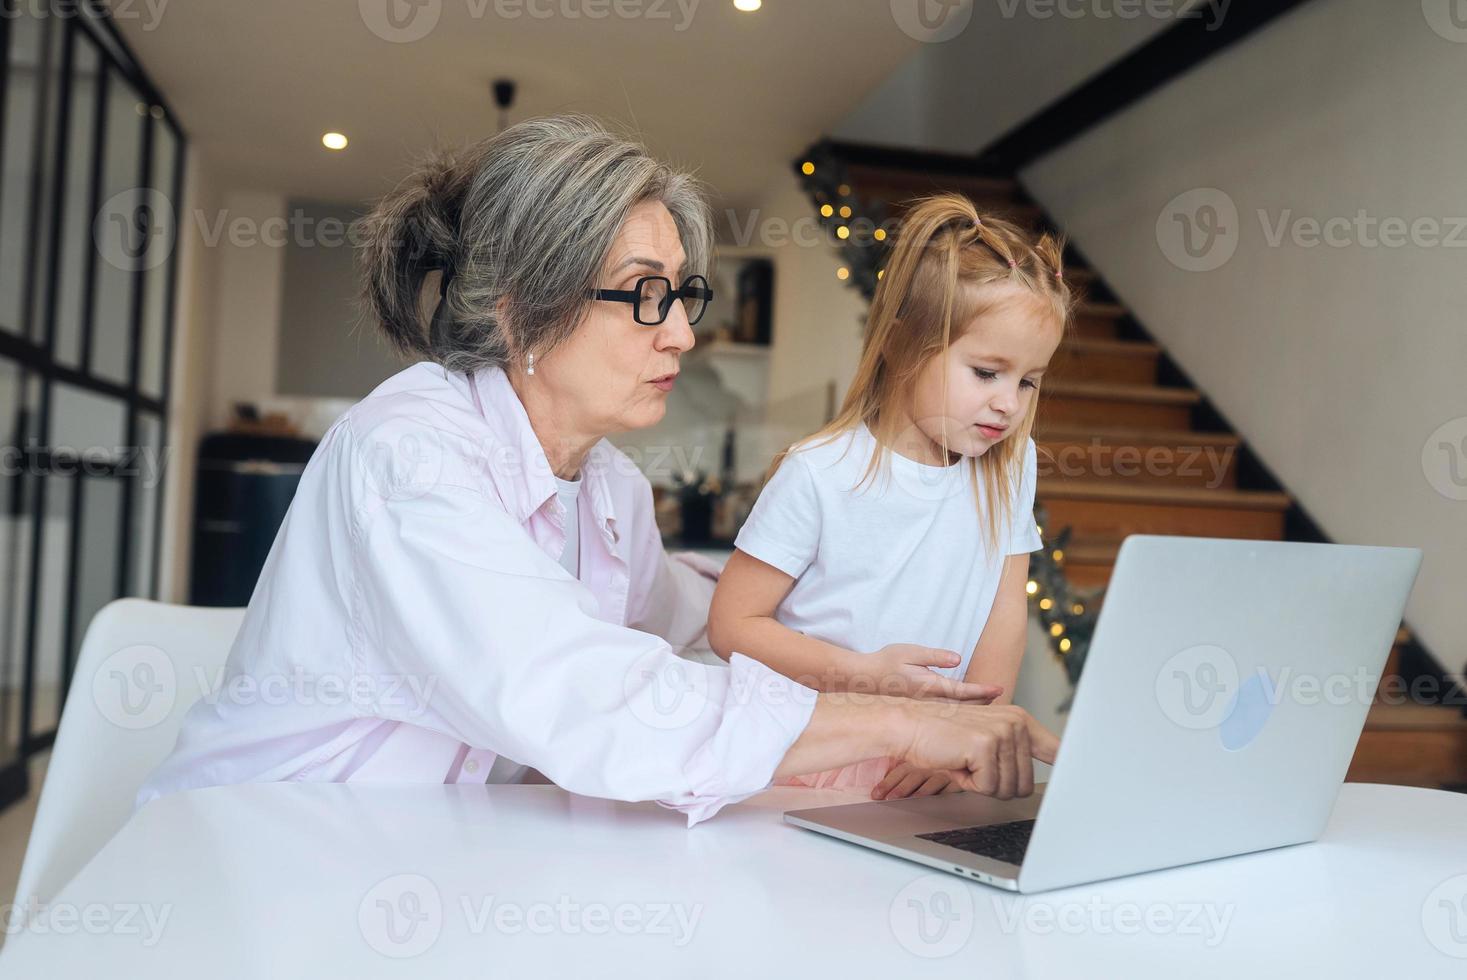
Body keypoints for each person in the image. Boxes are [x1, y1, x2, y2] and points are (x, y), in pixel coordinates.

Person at [134, 116, 1057, 825]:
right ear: (517, 312)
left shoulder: (607, 485)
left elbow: (686, 625)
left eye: (682, 295)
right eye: (645, 295)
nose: (684, 332)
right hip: (265, 848)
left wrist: (858, 634)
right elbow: (589, 693)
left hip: (430, 855)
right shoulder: (407, 453)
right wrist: (894, 721)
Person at [709, 194, 1070, 801]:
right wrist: (866, 675)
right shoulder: (820, 473)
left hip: (932, 764)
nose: (1010, 403)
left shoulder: (1010, 466)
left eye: (1028, 381)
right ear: (905, 347)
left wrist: (971, 729)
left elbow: (1006, 612)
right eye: (987, 372)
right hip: (814, 751)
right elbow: (731, 625)